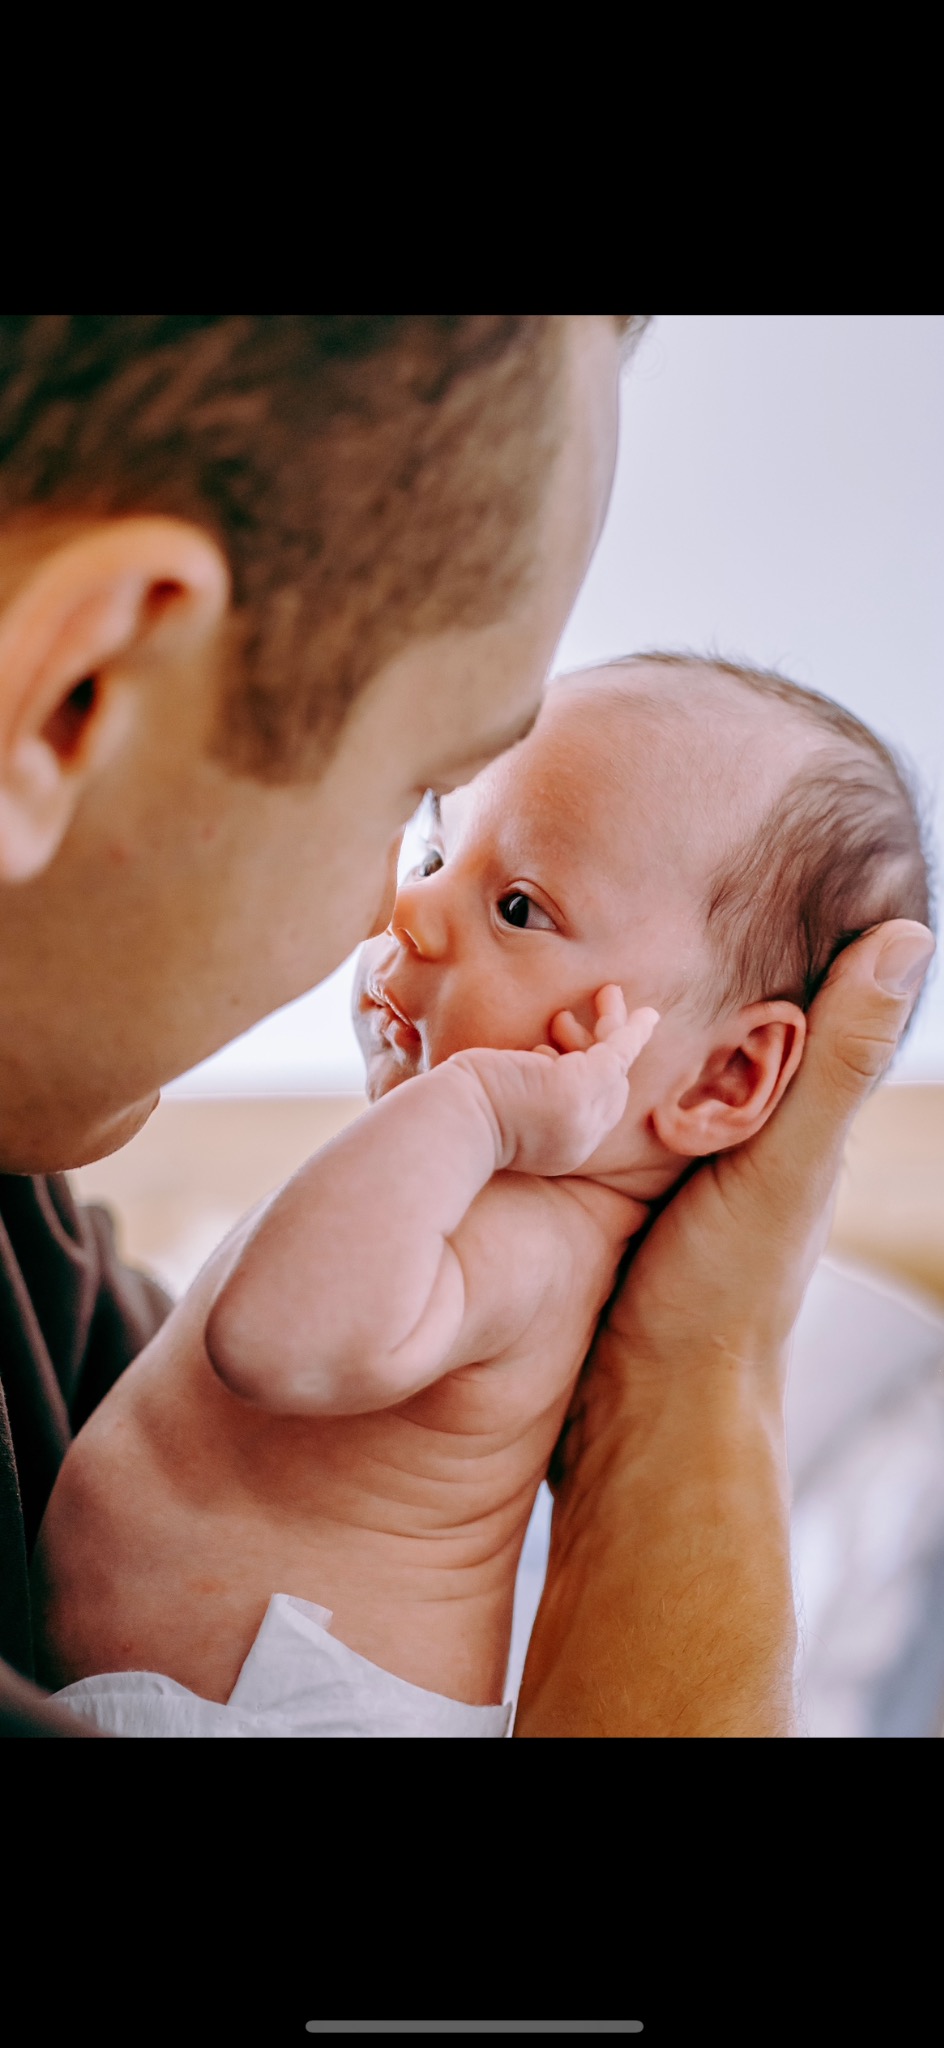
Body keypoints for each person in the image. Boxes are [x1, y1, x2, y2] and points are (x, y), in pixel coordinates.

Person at [0, 316, 933, 1739]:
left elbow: (276, 1338)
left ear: (732, 1071)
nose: (409, 910)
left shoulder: (517, 1238)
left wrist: (696, 1360)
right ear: (65, 698)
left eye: (514, 905)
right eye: (427, 819)